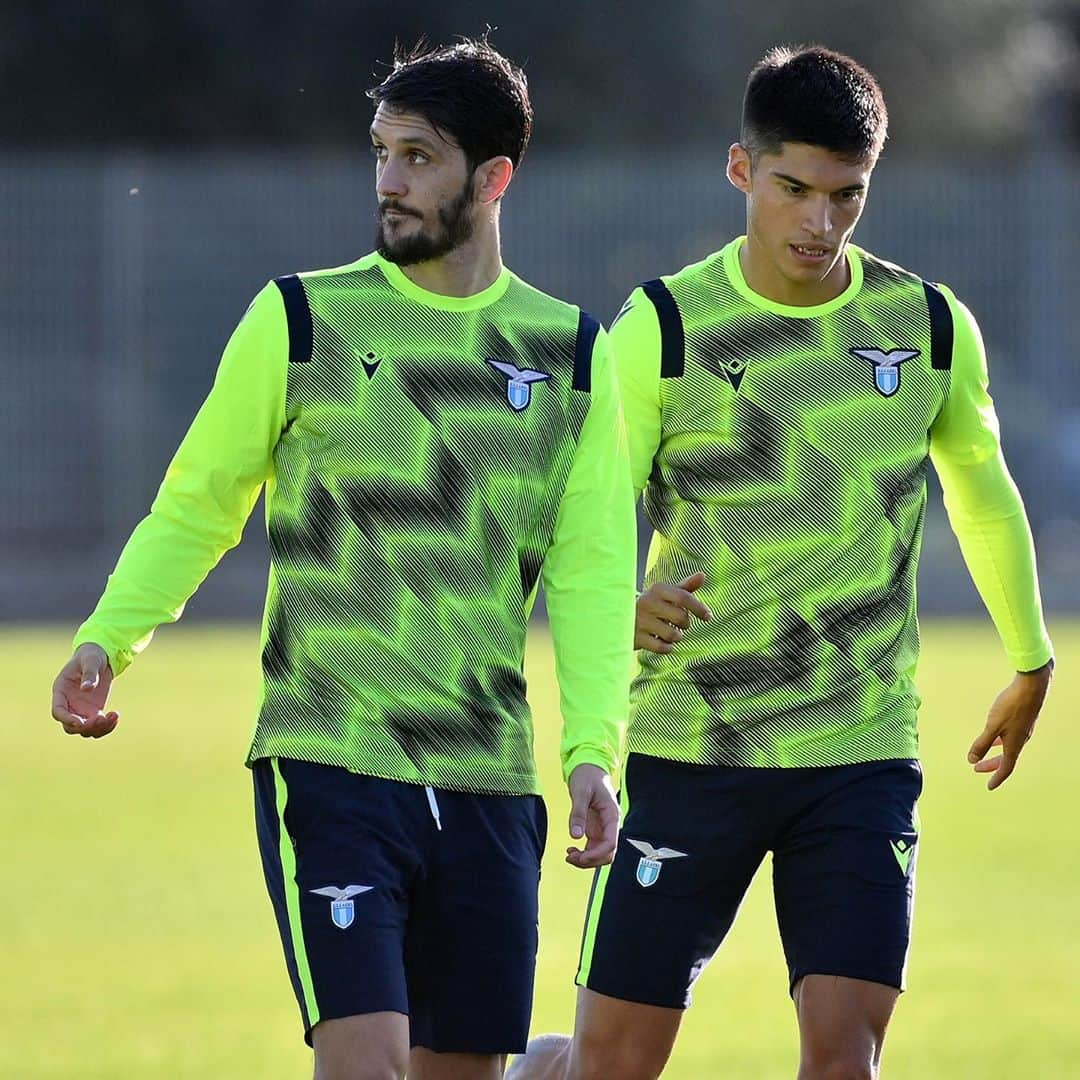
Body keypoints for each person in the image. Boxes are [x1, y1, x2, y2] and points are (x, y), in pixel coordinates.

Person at [50, 38, 636, 1080]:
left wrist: (592, 748)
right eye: (381, 153)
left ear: (494, 178)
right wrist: (109, 638)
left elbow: (593, 575)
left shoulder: (574, 359)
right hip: (331, 766)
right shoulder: (301, 319)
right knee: (364, 1067)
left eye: (419, 157)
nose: (389, 181)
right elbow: (199, 505)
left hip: (488, 784)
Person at [509, 45, 1054, 1080]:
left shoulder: (928, 329)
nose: (819, 222)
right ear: (740, 172)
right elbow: (564, 508)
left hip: (859, 751)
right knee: (609, 1068)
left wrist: (1030, 657)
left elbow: (980, 491)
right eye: (793, 188)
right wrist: (616, 605)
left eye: (847, 195)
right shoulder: (662, 331)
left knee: (845, 1062)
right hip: (691, 748)